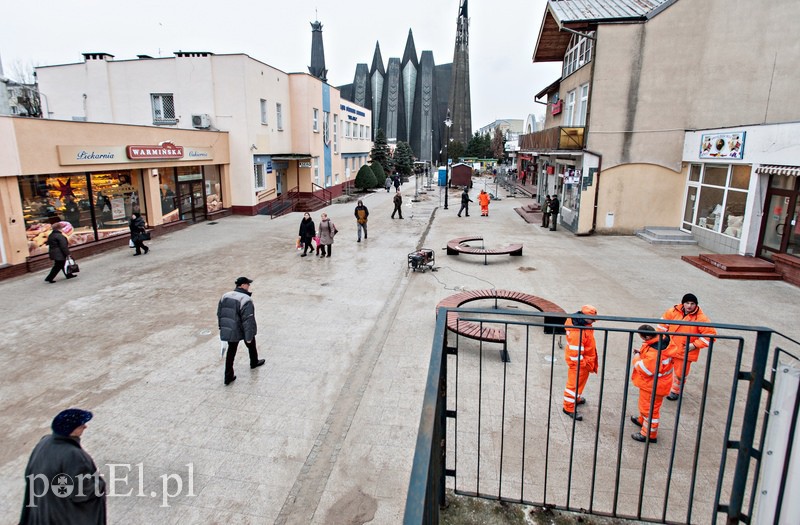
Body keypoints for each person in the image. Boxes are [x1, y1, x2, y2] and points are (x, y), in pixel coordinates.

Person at [19, 408, 106, 524]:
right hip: (61, 516)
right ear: (71, 431)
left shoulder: (44, 442)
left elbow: (29, 473)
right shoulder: (73, 455)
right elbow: (82, 492)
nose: (85, 427)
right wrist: (99, 483)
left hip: (43, 510)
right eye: (81, 425)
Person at [657, 293, 717, 400]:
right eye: (687, 303)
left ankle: (675, 391)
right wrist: (662, 340)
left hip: (685, 351)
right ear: (683, 303)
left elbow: (711, 336)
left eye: (692, 304)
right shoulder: (672, 312)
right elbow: (661, 326)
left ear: (696, 305)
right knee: (664, 369)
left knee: (680, 374)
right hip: (669, 348)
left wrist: (694, 345)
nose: (689, 306)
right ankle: (663, 388)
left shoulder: (701, 319)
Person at [630, 326, 680, 443]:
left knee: (649, 409)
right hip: (659, 384)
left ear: (647, 336)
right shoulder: (661, 340)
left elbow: (646, 369)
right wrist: (642, 352)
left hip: (652, 385)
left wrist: (636, 358)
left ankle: (648, 434)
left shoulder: (654, 352)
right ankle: (643, 421)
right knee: (648, 406)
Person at [217, 277, 265, 385]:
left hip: (230, 328)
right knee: (251, 343)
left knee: (231, 350)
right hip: (241, 328)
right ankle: (254, 362)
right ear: (243, 285)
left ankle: (228, 376)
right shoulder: (245, 299)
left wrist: (222, 327)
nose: (249, 287)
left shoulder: (225, 296)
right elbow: (248, 319)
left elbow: (220, 313)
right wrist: (248, 336)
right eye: (248, 284)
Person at [562, 305, 599, 421]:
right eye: (592, 319)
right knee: (573, 385)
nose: (593, 322)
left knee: (578, 383)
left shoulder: (583, 325)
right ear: (586, 318)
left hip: (583, 362)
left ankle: (575, 398)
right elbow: (575, 353)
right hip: (579, 364)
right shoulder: (577, 332)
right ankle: (568, 407)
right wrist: (584, 364)